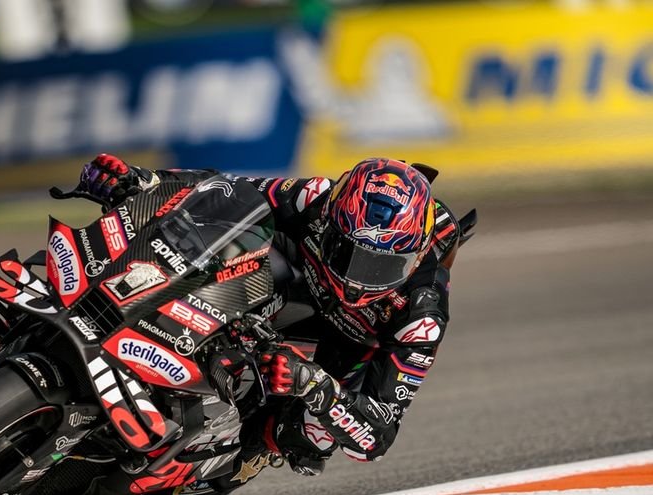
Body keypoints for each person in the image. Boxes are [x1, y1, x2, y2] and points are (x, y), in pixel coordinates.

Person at [78, 153, 471, 477]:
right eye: (348, 253)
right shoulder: (316, 199)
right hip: (293, 280)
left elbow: (376, 438)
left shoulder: (422, 313)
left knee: (313, 436)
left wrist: (314, 384)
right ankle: (148, 319)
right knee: (231, 234)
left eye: (382, 267)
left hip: (349, 347)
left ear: (416, 256)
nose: (358, 281)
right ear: (332, 222)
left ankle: (235, 456)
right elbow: (224, 188)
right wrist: (143, 180)